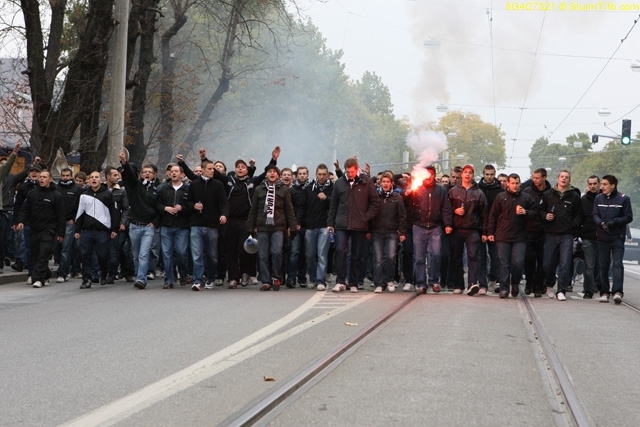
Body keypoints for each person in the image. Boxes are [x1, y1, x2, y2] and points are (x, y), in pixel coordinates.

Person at [327, 157, 380, 293]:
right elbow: (333, 204)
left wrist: (366, 217)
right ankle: (340, 281)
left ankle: (354, 282)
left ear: (357, 169)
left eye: (352, 171)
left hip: (359, 224)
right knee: (340, 251)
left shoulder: (366, 182)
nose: (350, 174)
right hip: (342, 223)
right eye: (347, 172)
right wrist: (330, 223)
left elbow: (375, 202)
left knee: (357, 254)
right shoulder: (339, 183)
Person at [246, 164, 297, 291]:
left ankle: (276, 277)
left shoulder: (283, 189)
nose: (272, 174)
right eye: (269, 172)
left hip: (278, 226)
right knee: (263, 255)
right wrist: (250, 227)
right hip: (262, 226)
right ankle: (266, 281)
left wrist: (293, 226)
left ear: (278, 175)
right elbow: (254, 209)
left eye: (274, 172)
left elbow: (289, 209)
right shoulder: (259, 189)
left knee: (277, 252)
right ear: (266, 174)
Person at [487, 174, 537, 299]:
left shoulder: (526, 198)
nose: (515, 185)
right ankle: (504, 288)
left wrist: (526, 212)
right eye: (513, 183)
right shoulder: (500, 197)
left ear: (520, 183)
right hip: (502, 235)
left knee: (518, 263)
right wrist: (490, 232)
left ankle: (514, 282)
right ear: (508, 184)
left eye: (517, 183)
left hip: (520, 236)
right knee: (503, 263)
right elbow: (493, 216)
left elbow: (536, 213)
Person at [406, 165, 452, 295]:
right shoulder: (417, 188)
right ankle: (421, 283)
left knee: (436, 254)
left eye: (431, 174)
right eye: (427, 174)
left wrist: (448, 224)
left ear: (434, 175)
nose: (429, 177)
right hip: (419, 226)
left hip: (435, 226)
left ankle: (434, 280)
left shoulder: (441, 191)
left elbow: (446, 208)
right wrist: (407, 193)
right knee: (419, 257)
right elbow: (407, 205)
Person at [16, 169, 65, 288]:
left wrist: (61, 233)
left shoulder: (56, 195)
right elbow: (25, 209)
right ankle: (46, 273)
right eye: (41, 177)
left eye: (44, 177)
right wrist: (21, 221)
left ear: (50, 179)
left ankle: (38, 279)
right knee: (36, 255)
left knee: (44, 253)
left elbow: (61, 215)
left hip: (49, 230)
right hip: (35, 228)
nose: (41, 179)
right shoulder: (32, 193)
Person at [119, 148, 159, 290]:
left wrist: (154, 223)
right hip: (135, 225)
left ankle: (141, 279)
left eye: (150, 172)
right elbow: (129, 176)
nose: (147, 174)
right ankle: (138, 274)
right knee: (135, 255)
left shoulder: (157, 190)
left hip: (148, 227)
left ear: (154, 175)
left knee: (144, 254)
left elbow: (159, 209)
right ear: (141, 174)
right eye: (144, 172)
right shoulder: (135, 186)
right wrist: (125, 163)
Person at [540, 170, 582, 301]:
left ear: (569, 180)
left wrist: (572, 225)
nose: (564, 179)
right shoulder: (548, 194)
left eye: (567, 177)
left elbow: (579, 214)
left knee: (564, 264)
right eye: (562, 177)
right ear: (557, 178)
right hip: (550, 234)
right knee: (547, 264)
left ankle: (561, 290)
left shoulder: (574, 196)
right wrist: (545, 216)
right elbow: (539, 210)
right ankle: (550, 283)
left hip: (566, 235)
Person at [186, 160, 229, 291]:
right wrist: (194, 206)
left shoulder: (218, 185)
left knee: (212, 254)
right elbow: (187, 203)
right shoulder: (193, 185)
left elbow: (224, 203)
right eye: (210, 168)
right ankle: (198, 280)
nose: (213, 171)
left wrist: (224, 215)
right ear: (203, 170)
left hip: (212, 225)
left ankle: (211, 277)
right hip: (196, 225)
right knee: (197, 254)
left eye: (213, 169)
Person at [448, 164, 488, 296]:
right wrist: (454, 211)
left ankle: (472, 284)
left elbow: (484, 215)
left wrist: (485, 232)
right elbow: (446, 210)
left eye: (470, 172)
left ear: (473, 175)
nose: (467, 175)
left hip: (473, 229)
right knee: (456, 257)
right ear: (462, 174)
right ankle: (458, 284)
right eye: (465, 172)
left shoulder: (479, 193)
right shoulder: (453, 191)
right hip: (457, 229)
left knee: (473, 257)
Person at [74, 171, 118, 289]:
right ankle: (86, 279)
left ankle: (104, 272)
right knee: (85, 254)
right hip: (87, 230)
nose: (94, 179)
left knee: (102, 255)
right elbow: (80, 213)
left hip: (102, 230)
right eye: (92, 177)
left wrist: (114, 228)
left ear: (100, 179)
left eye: (96, 177)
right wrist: (77, 230)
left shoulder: (107, 194)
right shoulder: (84, 195)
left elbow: (114, 212)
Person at [593, 175, 633, 304]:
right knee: (603, 265)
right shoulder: (598, 198)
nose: (602, 186)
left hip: (617, 237)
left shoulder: (624, 199)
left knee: (617, 264)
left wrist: (614, 222)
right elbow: (594, 214)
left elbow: (628, 217)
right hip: (602, 236)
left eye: (605, 184)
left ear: (613, 185)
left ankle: (617, 292)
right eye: (602, 184)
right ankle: (604, 292)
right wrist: (601, 223)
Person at [370, 171, 407, 293]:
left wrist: (402, 232)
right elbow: (370, 214)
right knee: (378, 259)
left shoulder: (397, 198)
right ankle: (379, 283)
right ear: (380, 183)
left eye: (388, 182)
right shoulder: (375, 196)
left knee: (391, 257)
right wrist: (368, 230)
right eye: (383, 181)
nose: (385, 184)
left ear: (392, 183)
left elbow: (402, 216)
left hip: (392, 232)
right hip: (377, 231)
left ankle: (389, 279)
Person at [156, 164, 191, 289]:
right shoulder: (163, 188)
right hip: (166, 225)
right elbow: (156, 204)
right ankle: (169, 279)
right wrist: (165, 208)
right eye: (172, 171)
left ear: (182, 174)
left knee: (181, 252)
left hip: (182, 225)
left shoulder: (187, 189)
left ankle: (183, 273)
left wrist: (182, 208)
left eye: (176, 171)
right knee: (166, 253)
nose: (174, 173)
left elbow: (191, 206)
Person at [303, 164, 333, 291]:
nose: (321, 177)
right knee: (309, 255)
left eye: (324, 174)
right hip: (310, 226)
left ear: (327, 175)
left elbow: (336, 204)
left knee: (322, 255)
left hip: (324, 226)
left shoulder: (332, 188)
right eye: (319, 174)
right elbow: (302, 206)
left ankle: (321, 280)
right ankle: (312, 277)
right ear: (316, 174)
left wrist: (326, 198)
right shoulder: (309, 188)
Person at [523, 168, 551, 297]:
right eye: (533, 178)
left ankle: (538, 285)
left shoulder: (550, 193)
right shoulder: (527, 192)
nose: (534, 180)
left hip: (545, 231)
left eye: (537, 178)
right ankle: (529, 282)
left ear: (544, 178)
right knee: (529, 259)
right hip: (529, 231)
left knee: (542, 260)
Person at [477, 164, 504, 293]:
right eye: (487, 174)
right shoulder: (477, 188)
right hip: (479, 227)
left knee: (495, 256)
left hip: (495, 228)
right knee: (481, 256)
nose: (489, 177)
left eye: (491, 174)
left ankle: (493, 279)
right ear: (483, 174)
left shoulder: (500, 190)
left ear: (495, 174)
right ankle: (482, 282)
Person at [104, 166, 133, 283]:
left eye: (118, 175)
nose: (118, 177)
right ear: (108, 177)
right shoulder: (102, 189)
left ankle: (116, 273)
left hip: (117, 225)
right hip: (103, 225)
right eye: (115, 175)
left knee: (117, 250)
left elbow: (126, 209)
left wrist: (122, 223)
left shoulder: (121, 191)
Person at [55, 167, 83, 283]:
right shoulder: (56, 189)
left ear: (71, 176)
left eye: (67, 175)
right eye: (63, 176)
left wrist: (74, 219)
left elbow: (80, 206)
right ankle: (63, 268)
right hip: (56, 223)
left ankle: (63, 273)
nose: (65, 178)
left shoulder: (77, 190)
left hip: (69, 222)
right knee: (56, 248)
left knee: (66, 248)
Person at [0, 141, 22, 274]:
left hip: (1, 212)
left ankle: (0, 263)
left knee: (1, 239)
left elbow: (6, 167)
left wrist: (14, 152)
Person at [579, 175, 600, 299]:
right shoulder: (584, 200)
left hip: (603, 237)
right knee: (589, 266)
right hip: (588, 237)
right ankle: (588, 290)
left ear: (599, 184)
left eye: (595, 183)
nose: (592, 186)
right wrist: (580, 233)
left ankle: (601, 286)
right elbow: (579, 217)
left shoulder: (604, 198)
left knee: (602, 265)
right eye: (590, 184)